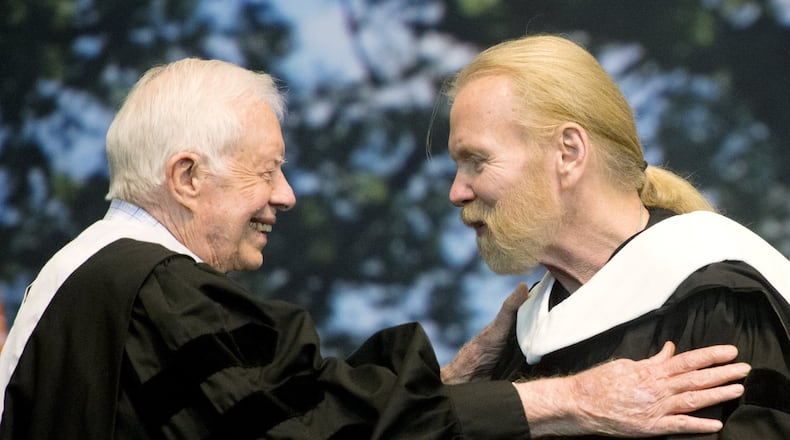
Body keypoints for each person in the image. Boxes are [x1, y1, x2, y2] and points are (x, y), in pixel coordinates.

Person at [0, 58, 750, 440]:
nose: (286, 196)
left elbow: (286, 410)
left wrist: (451, 379)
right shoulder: (154, 291)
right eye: (268, 170)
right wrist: (573, 399)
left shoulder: (88, 283)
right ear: (186, 177)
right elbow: (308, 431)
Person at [444, 34, 790, 438]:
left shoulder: (721, 299)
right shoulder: (510, 349)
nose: (457, 192)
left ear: (568, 152)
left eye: (477, 161)